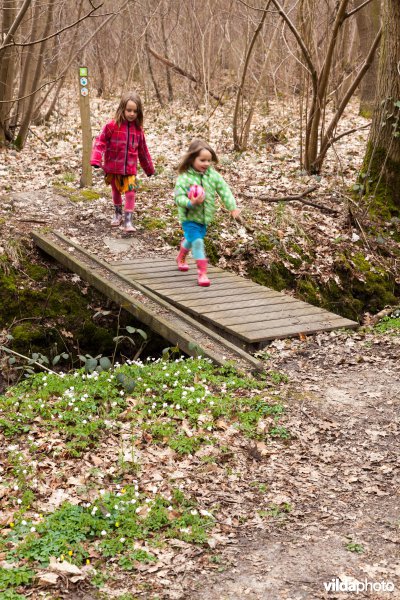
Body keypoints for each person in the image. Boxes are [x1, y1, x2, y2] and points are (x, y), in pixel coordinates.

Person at [174, 139, 241, 286]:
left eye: (209, 160)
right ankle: (202, 274)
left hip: (204, 218)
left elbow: (224, 190)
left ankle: (181, 256)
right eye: (202, 160)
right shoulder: (185, 177)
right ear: (192, 159)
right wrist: (191, 202)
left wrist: (232, 207)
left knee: (190, 240)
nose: (206, 164)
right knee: (198, 242)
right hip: (189, 217)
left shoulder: (213, 175)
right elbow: (178, 198)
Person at [91, 92, 155, 233]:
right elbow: (100, 142)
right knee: (116, 190)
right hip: (113, 166)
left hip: (130, 169)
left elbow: (143, 151)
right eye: (129, 110)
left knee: (131, 192)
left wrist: (149, 169)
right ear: (122, 109)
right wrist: (96, 159)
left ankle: (128, 220)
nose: (132, 114)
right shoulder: (111, 126)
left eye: (135, 111)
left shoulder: (138, 131)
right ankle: (118, 213)